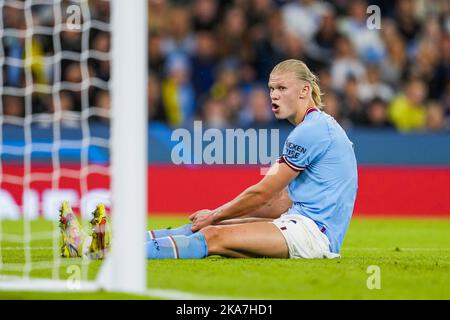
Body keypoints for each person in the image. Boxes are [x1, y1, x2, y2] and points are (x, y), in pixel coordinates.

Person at [60, 59, 358, 260]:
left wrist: (216, 216)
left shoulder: (312, 131)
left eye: (281, 88)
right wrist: (220, 214)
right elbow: (280, 202)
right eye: (271, 88)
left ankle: (99, 251)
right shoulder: (313, 129)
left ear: (305, 90)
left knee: (213, 234)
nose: (273, 95)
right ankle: (105, 243)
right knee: (202, 228)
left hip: (313, 235)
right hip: (297, 222)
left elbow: (265, 192)